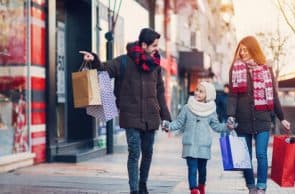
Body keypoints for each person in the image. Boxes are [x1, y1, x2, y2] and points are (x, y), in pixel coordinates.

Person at [80, 28, 172, 194]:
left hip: (151, 117)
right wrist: (94, 59)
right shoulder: (124, 61)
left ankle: (143, 184)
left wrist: (166, 117)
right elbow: (105, 68)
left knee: (148, 153)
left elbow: (159, 91)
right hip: (130, 116)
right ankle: (134, 190)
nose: (157, 48)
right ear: (144, 45)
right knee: (134, 152)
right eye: (154, 45)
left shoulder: (156, 65)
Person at [227, 36, 291, 194]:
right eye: (240, 50)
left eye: (246, 49)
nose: (242, 53)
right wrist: (231, 116)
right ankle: (251, 187)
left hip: (263, 119)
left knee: (261, 154)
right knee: (245, 156)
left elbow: (274, 96)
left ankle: (261, 187)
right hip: (243, 120)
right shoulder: (235, 69)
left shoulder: (266, 69)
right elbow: (233, 96)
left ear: (253, 49)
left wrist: (282, 118)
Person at [162, 81, 231, 194]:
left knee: (202, 170)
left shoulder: (211, 110)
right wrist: (168, 126)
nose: (197, 93)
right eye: (197, 90)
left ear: (207, 95)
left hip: (203, 145)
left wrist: (227, 127)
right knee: (192, 168)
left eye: (201, 91)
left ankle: (201, 187)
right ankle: (193, 189)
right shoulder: (187, 107)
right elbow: (179, 123)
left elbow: (216, 126)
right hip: (190, 143)